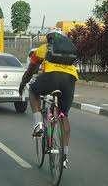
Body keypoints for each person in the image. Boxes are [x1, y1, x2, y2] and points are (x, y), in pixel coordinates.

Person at [19, 30, 79, 168]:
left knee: (33, 91)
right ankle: (64, 155)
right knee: (63, 115)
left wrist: (23, 83)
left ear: (49, 38)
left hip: (51, 78)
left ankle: (39, 124)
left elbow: (31, 69)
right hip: (69, 81)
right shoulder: (68, 51)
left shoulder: (44, 48)